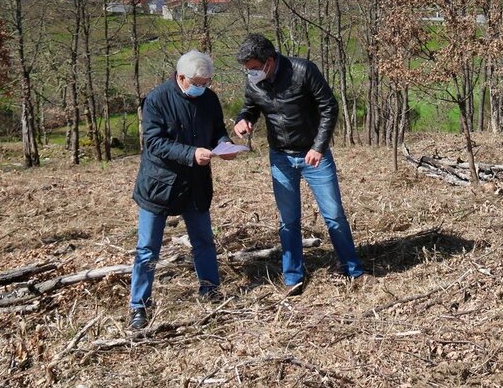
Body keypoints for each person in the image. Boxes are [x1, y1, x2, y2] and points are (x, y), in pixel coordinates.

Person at [232, 33, 364, 290]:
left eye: (255, 69)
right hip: (280, 156)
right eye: (247, 71)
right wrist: (243, 119)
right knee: (288, 220)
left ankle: (352, 269)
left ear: (269, 61)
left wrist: (318, 147)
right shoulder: (254, 82)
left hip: (314, 155)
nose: (251, 75)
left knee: (334, 214)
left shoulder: (303, 71)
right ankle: (293, 276)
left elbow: (329, 107)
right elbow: (250, 107)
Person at [128, 50, 236, 330]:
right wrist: (190, 153)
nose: (203, 87)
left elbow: (217, 130)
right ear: (181, 77)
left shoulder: (209, 99)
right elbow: (154, 142)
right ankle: (139, 305)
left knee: (203, 241)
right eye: (198, 82)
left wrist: (224, 146)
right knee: (147, 248)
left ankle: (210, 289)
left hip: (197, 184)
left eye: (207, 82)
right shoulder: (157, 99)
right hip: (160, 184)